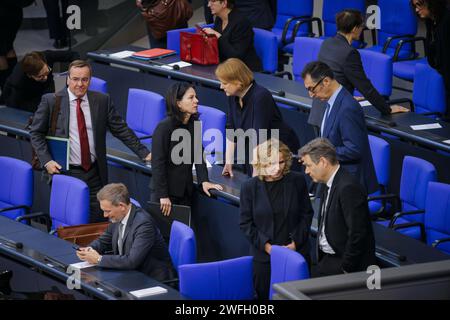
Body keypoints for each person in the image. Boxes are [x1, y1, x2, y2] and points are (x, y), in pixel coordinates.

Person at [30, 60, 152, 223]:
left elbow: (120, 129)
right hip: (66, 173)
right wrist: (47, 161)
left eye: (84, 79)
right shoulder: (52, 101)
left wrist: (144, 152)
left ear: (90, 80)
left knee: (98, 222)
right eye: (75, 79)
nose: (79, 84)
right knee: (72, 225)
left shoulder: (102, 101)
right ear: (68, 79)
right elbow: (36, 133)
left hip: (95, 173)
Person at [240, 139, 313, 299]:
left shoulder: (297, 180)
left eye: (281, 162)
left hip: (296, 253)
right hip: (264, 257)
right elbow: (246, 224)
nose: (277, 168)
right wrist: (268, 248)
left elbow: (306, 214)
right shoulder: (249, 187)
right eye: (271, 163)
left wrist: (295, 244)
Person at [299, 138, 376, 277]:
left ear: (323, 162)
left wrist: (346, 267)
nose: (306, 171)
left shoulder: (348, 187)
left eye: (309, 165)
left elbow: (358, 233)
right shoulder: (325, 182)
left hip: (342, 266)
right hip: (327, 260)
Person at [301, 61, 378, 195]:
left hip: (350, 184)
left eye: (311, 89)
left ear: (325, 81)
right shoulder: (331, 101)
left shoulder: (348, 108)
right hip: (336, 180)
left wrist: (321, 154)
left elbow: (354, 149)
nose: (311, 95)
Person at [216, 58, 300, 177]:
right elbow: (231, 129)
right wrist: (228, 162)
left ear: (239, 82)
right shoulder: (232, 95)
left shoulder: (260, 96)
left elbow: (259, 136)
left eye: (225, 83)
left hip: (278, 149)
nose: (221, 87)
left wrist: (256, 171)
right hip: (255, 148)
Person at [150, 82, 223, 217]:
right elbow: (157, 163)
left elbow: (198, 153)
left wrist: (204, 180)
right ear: (178, 103)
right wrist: (163, 195)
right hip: (166, 196)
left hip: (185, 191)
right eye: (191, 98)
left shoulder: (193, 123)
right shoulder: (164, 127)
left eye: (196, 97)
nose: (196, 101)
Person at [76, 183, 175, 281]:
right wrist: (89, 250)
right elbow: (103, 240)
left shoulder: (144, 224)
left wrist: (99, 259)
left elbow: (132, 261)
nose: (105, 215)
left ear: (121, 206)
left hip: (152, 280)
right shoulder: (118, 216)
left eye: (107, 211)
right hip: (131, 274)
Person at [318, 9, 409, 116]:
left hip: (320, 109)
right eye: (361, 26)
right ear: (354, 29)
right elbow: (365, 87)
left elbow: (335, 76)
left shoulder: (326, 43)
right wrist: (387, 109)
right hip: (336, 114)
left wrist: (346, 95)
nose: (362, 29)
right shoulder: (350, 53)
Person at [2, 50, 79, 112]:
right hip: (25, 97)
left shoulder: (47, 56)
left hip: (44, 86)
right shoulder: (18, 80)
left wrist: (75, 70)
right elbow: (15, 106)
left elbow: (73, 54)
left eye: (47, 72)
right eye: (40, 76)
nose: (45, 77)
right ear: (30, 75)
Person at [410, 0, 450, 121]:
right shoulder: (431, 21)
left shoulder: (447, 21)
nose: (416, 10)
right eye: (414, 6)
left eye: (419, 5)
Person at [202, 0, 262, 71]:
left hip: (244, 70)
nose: (209, 5)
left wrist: (217, 36)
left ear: (224, 3)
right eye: (209, 1)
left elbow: (236, 56)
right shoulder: (219, 19)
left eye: (213, 1)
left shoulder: (241, 22)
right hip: (225, 67)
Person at [0, 2, 23, 95]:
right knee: (8, 48)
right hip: (15, 12)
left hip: (2, 13)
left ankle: (7, 93)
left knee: (1, 53)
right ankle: (14, 91)